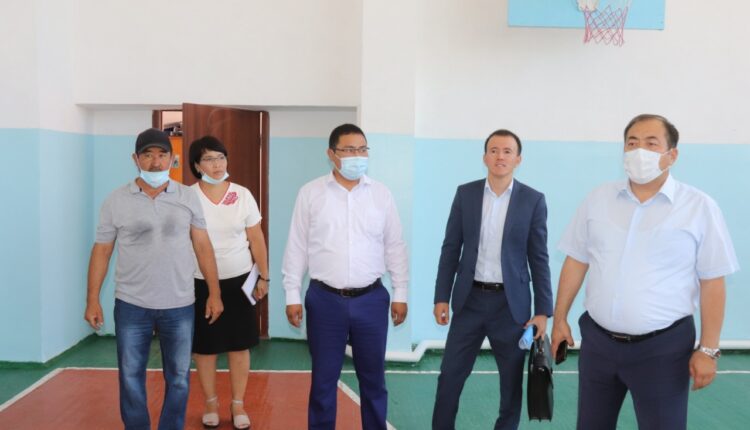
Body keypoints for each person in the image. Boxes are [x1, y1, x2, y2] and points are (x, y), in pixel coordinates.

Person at [551, 114, 740, 430]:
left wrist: (708, 350)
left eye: (651, 144)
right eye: (632, 143)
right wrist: (559, 319)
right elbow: (577, 260)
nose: (640, 151)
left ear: (672, 155)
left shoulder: (699, 207)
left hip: (663, 349)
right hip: (598, 344)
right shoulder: (598, 199)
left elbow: (713, 281)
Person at [84, 128, 223, 430]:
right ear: (135, 159)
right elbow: (102, 251)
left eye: (162, 155)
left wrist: (215, 293)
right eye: (147, 155)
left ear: (172, 159)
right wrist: (92, 299)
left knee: (179, 377)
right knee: (130, 375)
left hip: (179, 304)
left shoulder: (187, 196)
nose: (155, 162)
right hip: (132, 305)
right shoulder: (116, 200)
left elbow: (202, 245)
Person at [282, 123, 409, 430]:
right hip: (324, 300)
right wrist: (291, 295)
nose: (357, 156)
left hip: (371, 299)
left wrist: (401, 293)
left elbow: (394, 245)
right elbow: (297, 246)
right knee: (323, 382)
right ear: (331, 154)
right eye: (349, 150)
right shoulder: (311, 193)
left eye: (362, 149)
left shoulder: (380, 194)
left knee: (374, 381)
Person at [432, 129, 553, 430]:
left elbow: (539, 258)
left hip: (510, 308)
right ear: (485, 157)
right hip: (469, 302)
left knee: (511, 387)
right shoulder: (466, 194)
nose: (500, 156)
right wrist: (441, 296)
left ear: (518, 159)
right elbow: (451, 248)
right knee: (449, 378)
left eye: (507, 151)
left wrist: (542, 311)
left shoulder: (533, 200)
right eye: (494, 150)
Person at [188, 136, 270, 429]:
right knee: (205, 348)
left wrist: (264, 275)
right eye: (209, 159)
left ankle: (238, 404)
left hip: (240, 280)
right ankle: (211, 403)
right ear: (197, 165)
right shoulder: (188, 197)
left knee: (239, 345)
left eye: (220, 157)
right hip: (199, 282)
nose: (216, 164)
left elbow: (256, 238)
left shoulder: (242, 195)